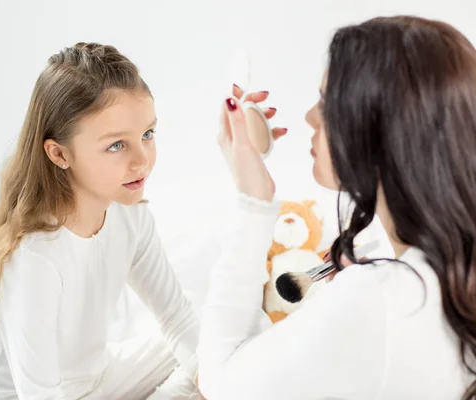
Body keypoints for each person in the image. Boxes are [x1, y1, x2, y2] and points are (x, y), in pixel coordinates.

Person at [197, 16, 476, 400]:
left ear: (380, 130)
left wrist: (254, 199)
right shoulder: (445, 272)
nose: (311, 117)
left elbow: (219, 383)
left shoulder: (383, 297)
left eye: (327, 102)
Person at [0, 42, 213, 399]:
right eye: (116, 145)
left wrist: (220, 383)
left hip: (95, 382)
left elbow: (177, 319)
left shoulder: (131, 216)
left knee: (217, 335)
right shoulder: (35, 257)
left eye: (147, 135)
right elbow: (40, 393)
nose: (142, 160)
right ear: (59, 153)